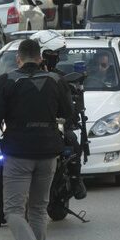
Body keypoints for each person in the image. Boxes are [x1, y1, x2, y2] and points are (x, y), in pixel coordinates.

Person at [0, 38, 74, 240]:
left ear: (18, 60)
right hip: (48, 153)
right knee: (39, 209)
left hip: (18, 153)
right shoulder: (57, 80)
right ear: (40, 59)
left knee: (12, 210)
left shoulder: (6, 81)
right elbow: (69, 115)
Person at [31, 29, 86, 200]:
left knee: (72, 142)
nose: (57, 57)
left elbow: (69, 106)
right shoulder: (20, 76)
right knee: (5, 159)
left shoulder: (60, 78)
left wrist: (73, 109)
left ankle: (76, 181)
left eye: (57, 53)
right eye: (53, 53)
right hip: (24, 128)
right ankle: (0, 209)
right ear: (41, 54)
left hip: (53, 126)